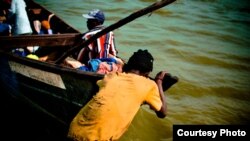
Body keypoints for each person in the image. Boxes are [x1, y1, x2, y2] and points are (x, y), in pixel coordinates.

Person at [67, 49, 178, 141]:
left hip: (74, 130)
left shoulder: (111, 77)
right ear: (148, 73)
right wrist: (158, 82)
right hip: (98, 138)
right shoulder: (149, 85)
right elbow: (162, 113)